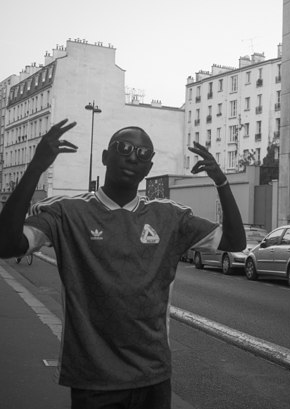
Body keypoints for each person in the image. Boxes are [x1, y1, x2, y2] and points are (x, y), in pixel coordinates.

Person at [0, 118, 246, 409]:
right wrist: (36, 166)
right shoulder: (68, 212)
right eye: (124, 147)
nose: (133, 156)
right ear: (106, 156)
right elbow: (7, 245)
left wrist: (222, 181)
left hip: (153, 378)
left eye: (143, 154)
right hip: (93, 381)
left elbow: (234, 242)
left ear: (149, 168)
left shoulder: (170, 217)